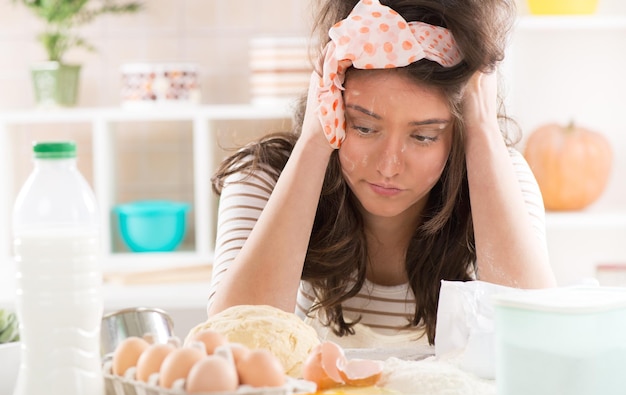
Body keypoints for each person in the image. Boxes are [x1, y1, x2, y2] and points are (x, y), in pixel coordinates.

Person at [206, 0, 556, 349]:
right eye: (364, 127)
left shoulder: (497, 174)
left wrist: (481, 130)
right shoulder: (264, 177)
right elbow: (231, 344)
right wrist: (314, 140)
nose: (389, 166)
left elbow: (537, 339)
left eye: (423, 136)